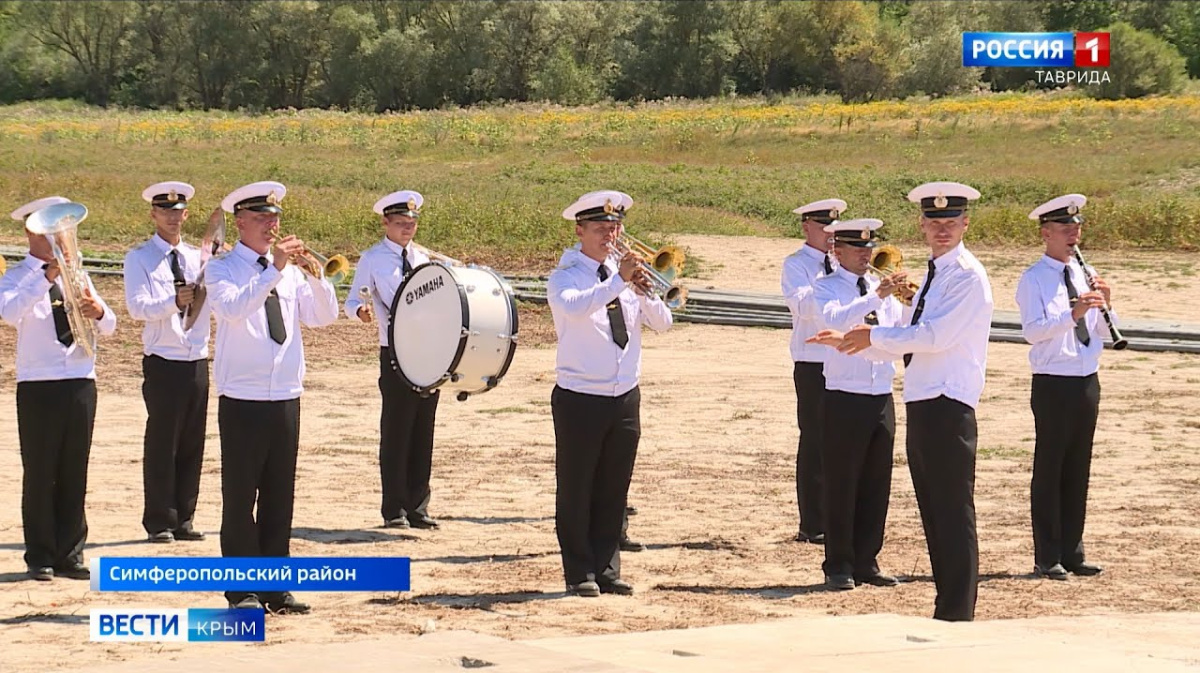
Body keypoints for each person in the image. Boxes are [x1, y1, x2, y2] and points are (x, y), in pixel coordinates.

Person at [824, 182, 993, 622]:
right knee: (935, 513)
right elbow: (911, 339)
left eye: (951, 222)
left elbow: (935, 336)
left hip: (948, 403)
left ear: (965, 224)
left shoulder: (967, 275)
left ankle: (957, 610)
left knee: (953, 512)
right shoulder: (936, 274)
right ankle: (947, 605)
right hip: (923, 399)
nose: (942, 230)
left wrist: (872, 336)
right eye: (934, 223)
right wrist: (856, 342)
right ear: (922, 225)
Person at [205, 181, 339, 613]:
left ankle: (276, 586)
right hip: (242, 396)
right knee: (241, 497)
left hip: (284, 393)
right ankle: (242, 590)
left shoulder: (289, 271)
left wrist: (316, 277)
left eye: (275, 219)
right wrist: (273, 270)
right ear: (240, 222)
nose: (271, 226)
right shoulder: (222, 269)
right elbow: (232, 309)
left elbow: (323, 317)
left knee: (280, 496)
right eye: (261, 219)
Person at [547, 190, 672, 597]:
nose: (609, 236)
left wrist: (642, 290)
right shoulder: (566, 276)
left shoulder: (625, 278)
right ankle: (578, 570)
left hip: (624, 395)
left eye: (614, 228)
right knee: (577, 487)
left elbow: (664, 323)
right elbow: (576, 308)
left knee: (614, 487)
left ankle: (606, 566)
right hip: (581, 395)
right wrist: (619, 281)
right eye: (600, 228)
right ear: (580, 230)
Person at [1, 196, 117, 581]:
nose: (58, 239)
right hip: (39, 385)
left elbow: (111, 324)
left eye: (61, 231)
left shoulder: (80, 275)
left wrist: (98, 312)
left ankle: (71, 552)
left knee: (74, 470)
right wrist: (45, 277)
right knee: (40, 471)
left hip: (80, 380)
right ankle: (40, 556)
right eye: (49, 231)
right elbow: (10, 313)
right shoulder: (17, 277)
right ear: (31, 233)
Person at [807, 218, 906, 591]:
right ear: (838, 251)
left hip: (881, 392)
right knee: (841, 482)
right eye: (858, 249)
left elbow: (895, 333)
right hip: (844, 395)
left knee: (876, 482)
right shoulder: (826, 288)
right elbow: (833, 319)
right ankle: (838, 564)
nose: (867, 255)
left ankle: (867, 559)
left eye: (869, 248)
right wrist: (877, 296)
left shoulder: (884, 291)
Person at [1016, 193, 1110, 581]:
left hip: (1086, 379)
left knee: (1078, 467)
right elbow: (1033, 332)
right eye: (1065, 229)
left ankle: (1073, 550)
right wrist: (1073, 313)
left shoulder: (1085, 274)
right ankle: (1047, 554)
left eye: (1077, 228)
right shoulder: (1034, 278)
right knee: (1051, 467)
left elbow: (1103, 331)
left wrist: (1107, 304)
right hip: (1053, 382)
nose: (1074, 234)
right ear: (1046, 233)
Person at [344, 190, 441, 531]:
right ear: (385, 222)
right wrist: (360, 312)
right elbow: (352, 299)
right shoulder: (372, 259)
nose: (407, 229)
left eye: (412, 224)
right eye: (400, 223)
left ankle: (418, 505)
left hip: (428, 351)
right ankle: (393, 508)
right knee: (397, 430)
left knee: (423, 430)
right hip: (395, 352)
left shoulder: (425, 259)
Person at [123, 181, 212, 544]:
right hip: (163, 358)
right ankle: (160, 518)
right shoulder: (140, 258)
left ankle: (184, 516)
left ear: (186, 215)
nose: (173, 218)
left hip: (196, 356)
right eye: (165, 212)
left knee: (193, 440)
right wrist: (173, 302)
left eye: (178, 212)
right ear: (154, 214)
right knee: (163, 441)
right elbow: (137, 307)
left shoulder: (197, 257)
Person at [781, 198, 845, 544]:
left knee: (843, 441)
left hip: (845, 358)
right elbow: (804, 307)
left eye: (836, 229)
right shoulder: (797, 265)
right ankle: (813, 522)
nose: (831, 236)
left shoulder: (844, 264)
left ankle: (838, 515)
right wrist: (836, 279)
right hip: (812, 359)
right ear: (806, 227)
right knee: (816, 440)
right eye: (824, 228)